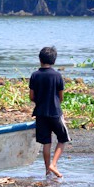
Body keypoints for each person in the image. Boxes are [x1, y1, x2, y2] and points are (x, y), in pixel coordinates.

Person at [29, 46, 70, 178]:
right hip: (55, 112)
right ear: (54, 61)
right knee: (63, 138)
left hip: (40, 113)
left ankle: (47, 170)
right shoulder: (57, 75)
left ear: (40, 59)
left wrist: (39, 102)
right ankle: (54, 164)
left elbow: (31, 96)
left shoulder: (35, 75)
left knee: (46, 142)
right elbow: (61, 96)